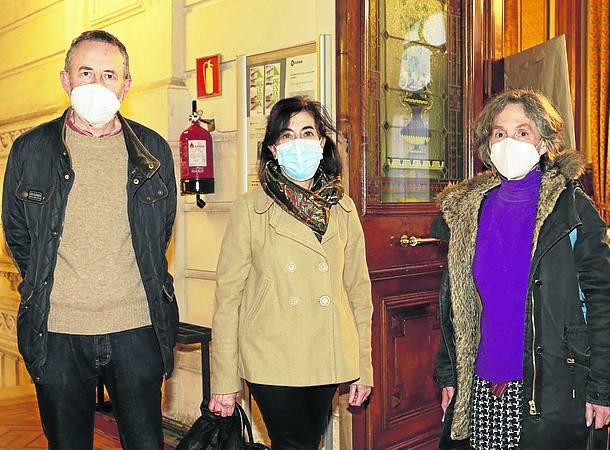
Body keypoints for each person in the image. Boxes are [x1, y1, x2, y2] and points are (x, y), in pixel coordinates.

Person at [2, 30, 178, 450]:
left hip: (136, 328)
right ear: (66, 80)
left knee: (146, 443)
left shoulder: (152, 150)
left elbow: (159, 232)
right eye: (86, 72)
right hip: (59, 331)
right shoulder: (30, 150)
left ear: (126, 85)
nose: (98, 84)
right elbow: (18, 235)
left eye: (109, 74)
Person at [432, 88, 610, 450]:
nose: (508, 141)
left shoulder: (571, 210)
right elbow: (455, 304)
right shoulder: (468, 212)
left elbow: (603, 299)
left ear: (544, 143)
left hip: (550, 387)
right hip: (482, 386)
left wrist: (603, 386)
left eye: (522, 132)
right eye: (499, 133)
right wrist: (448, 372)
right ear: (488, 144)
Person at [208, 96, 373, 449]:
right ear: (272, 148)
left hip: (327, 351)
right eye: (286, 135)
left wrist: (363, 366)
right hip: (272, 355)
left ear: (321, 142)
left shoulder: (342, 207)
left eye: (307, 132)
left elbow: (358, 291)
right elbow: (228, 299)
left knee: (307, 442)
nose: (298, 143)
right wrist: (224, 378)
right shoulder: (251, 209)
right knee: (293, 443)